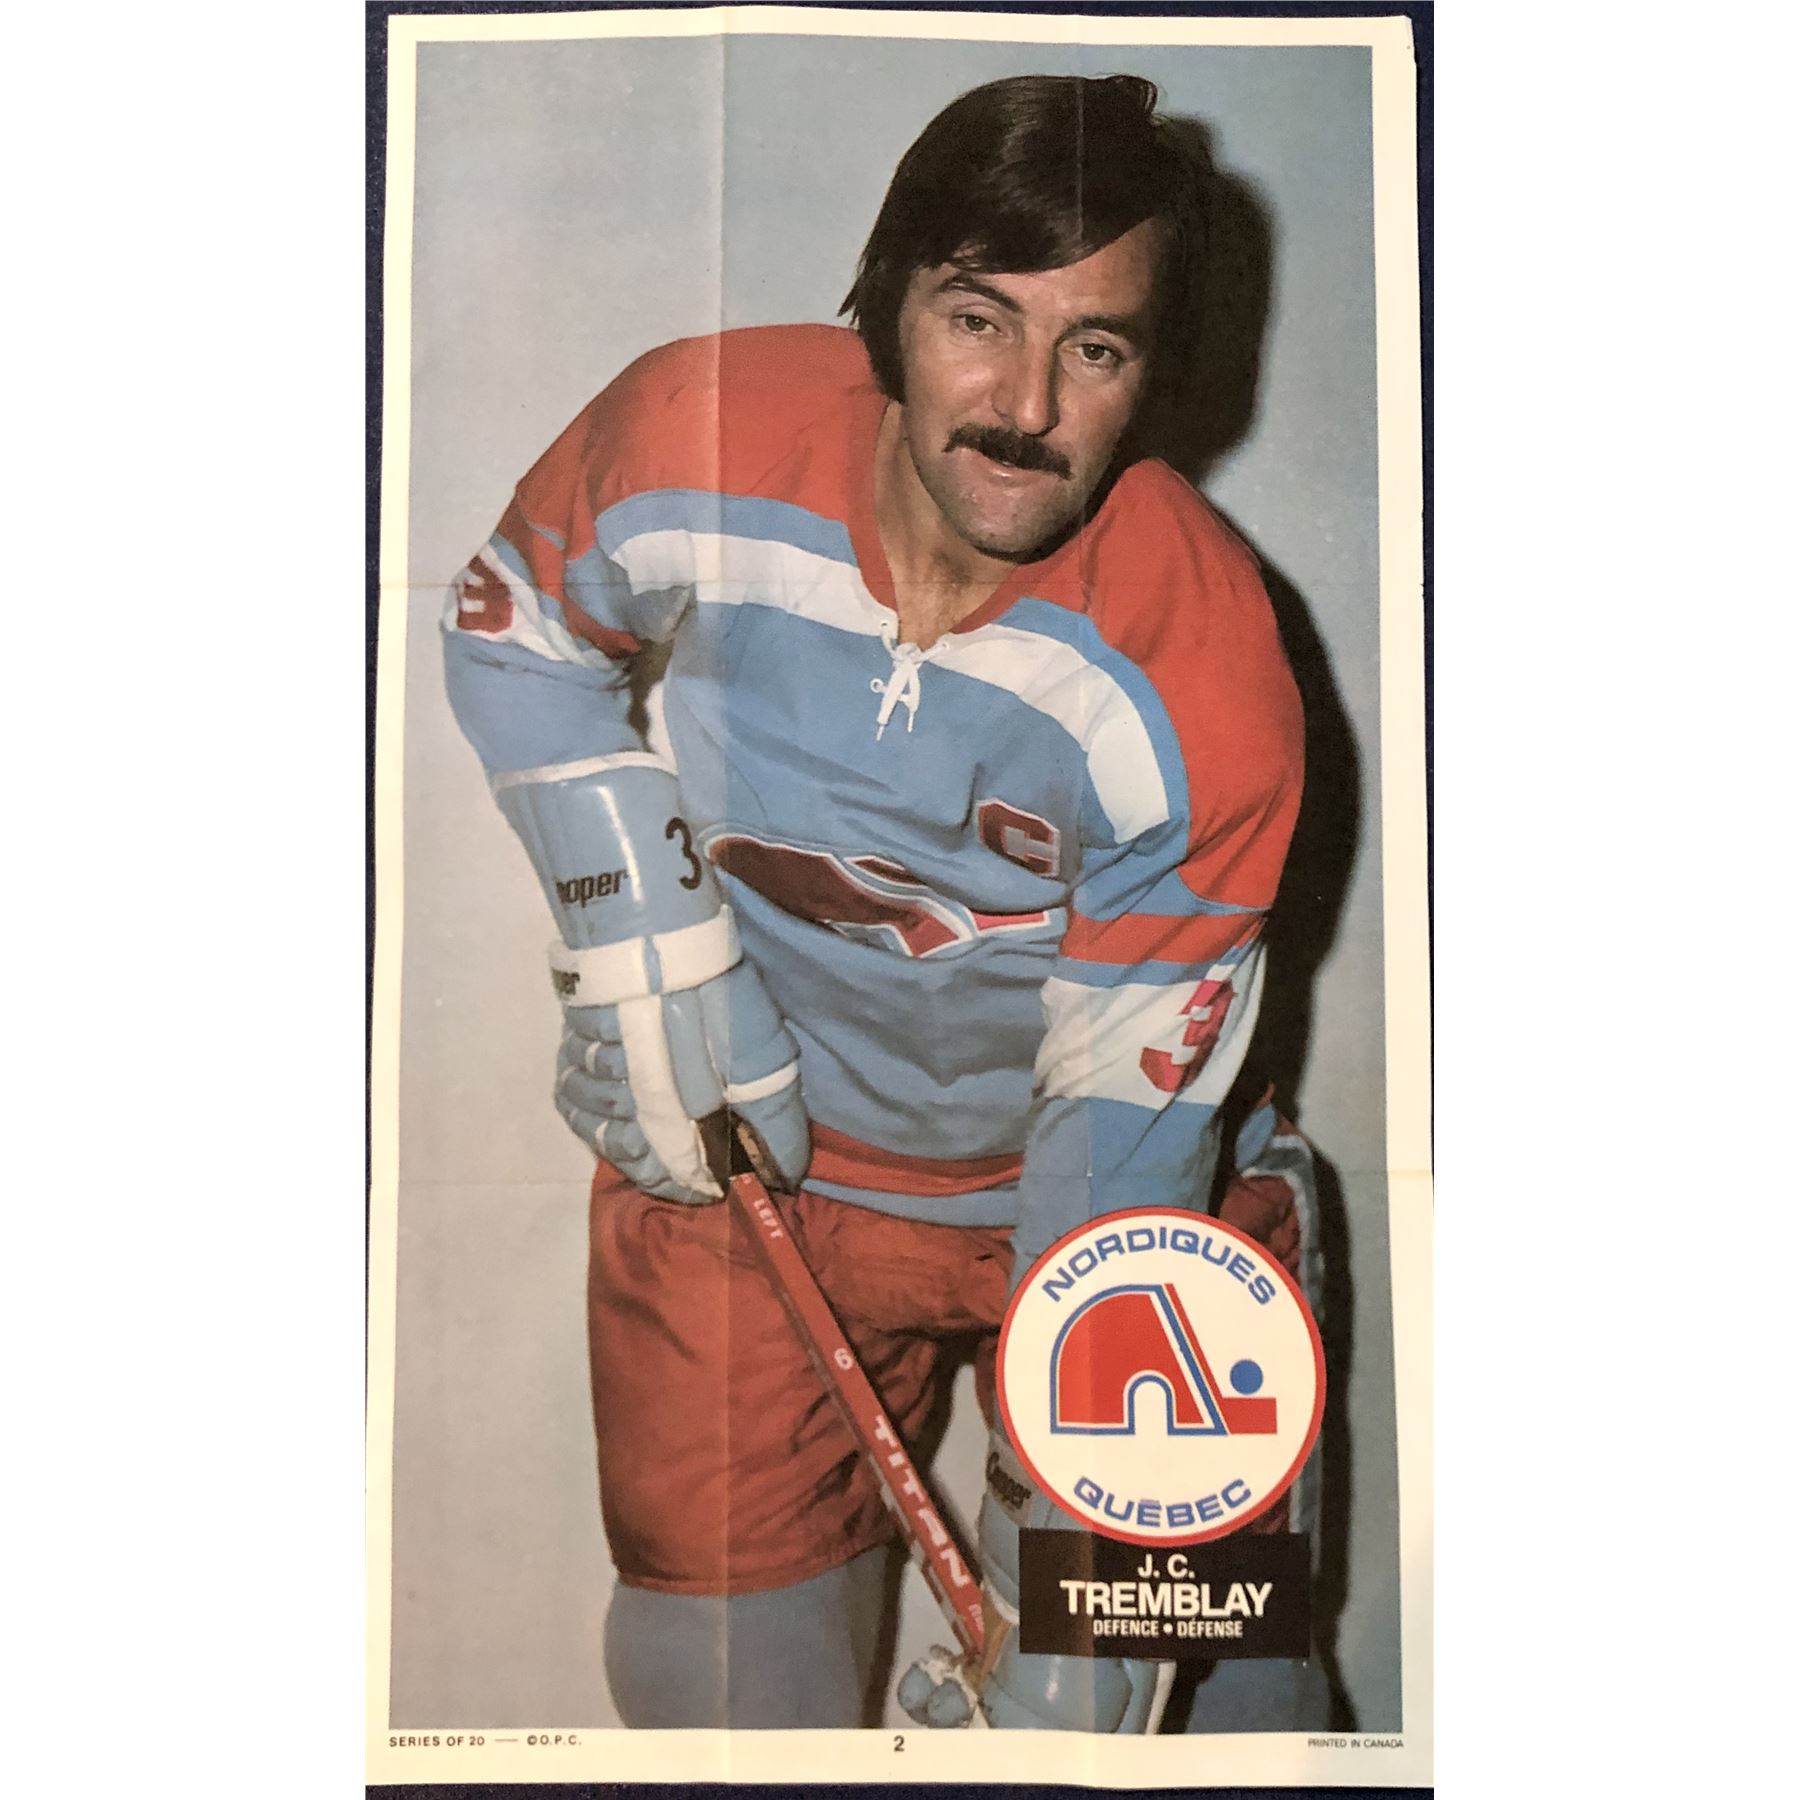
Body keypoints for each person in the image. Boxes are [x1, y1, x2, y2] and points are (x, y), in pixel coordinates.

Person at [442, 72, 1327, 1731]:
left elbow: (1119, 1141)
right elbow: (515, 630)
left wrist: (1089, 1569)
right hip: (759, 1164)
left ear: (1154, 375)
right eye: (978, 320)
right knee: (715, 1708)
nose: (1025, 405)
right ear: (889, 301)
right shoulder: (692, 427)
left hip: (1104, 1183)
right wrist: (642, 934)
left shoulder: (1205, 675)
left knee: (1207, 1714)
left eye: (1096, 348)